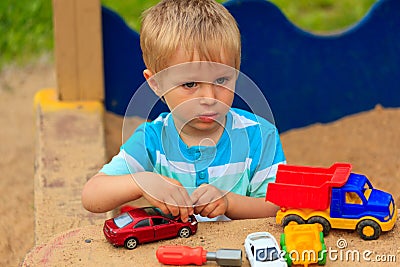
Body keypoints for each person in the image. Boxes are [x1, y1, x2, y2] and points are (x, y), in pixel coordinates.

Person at [82, 0, 286, 222]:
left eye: (221, 79)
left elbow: (277, 206)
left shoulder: (260, 136)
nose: (209, 98)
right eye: (190, 85)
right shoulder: (152, 140)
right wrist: (142, 182)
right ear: (156, 84)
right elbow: (92, 195)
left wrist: (230, 203)